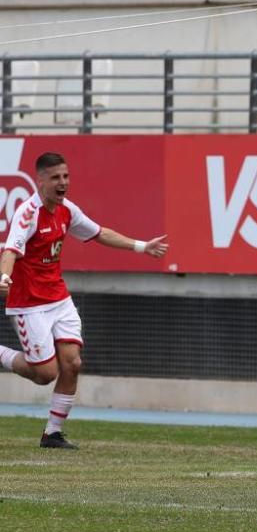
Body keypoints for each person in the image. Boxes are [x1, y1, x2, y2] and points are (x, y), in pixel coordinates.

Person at [0, 152, 168, 449]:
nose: (62, 183)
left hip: (59, 298)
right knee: (45, 374)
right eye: (55, 178)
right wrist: (4, 278)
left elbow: (99, 233)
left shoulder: (66, 210)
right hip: (29, 304)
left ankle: (52, 433)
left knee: (73, 363)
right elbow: (10, 250)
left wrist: (142, 246)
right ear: (40, 181)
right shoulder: (28, 213)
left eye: (65, 176)